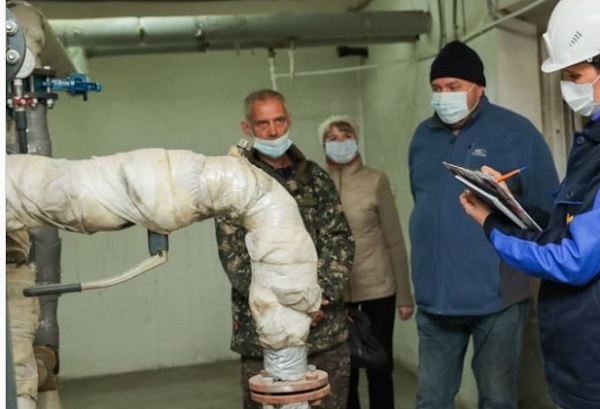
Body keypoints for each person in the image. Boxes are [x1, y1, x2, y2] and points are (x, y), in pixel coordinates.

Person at [460, 1, 600, 408]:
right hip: (582, 355)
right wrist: (506, 202)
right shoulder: (591, 142)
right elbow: (569, 230)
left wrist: (492, 225)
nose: (567, 87)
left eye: (574, 75)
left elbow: (574, 258)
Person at [408, 40, 559, 409]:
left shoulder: (517, 132)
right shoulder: (423, 137)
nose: (444, 96)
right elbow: (424, 202)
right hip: (435, 300)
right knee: (431, 400)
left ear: (479, 87)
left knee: (497, 400)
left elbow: (547, 212)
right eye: (437, 88)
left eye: (454, 86)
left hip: (497, 299)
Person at [214, 89, 355, 409]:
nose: (273, 130)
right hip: (265, 335)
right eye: (262, 123)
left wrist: (316, 299)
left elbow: (339, 240)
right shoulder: (237, 185)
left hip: (323, 333)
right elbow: (234, 256)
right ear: (247, 128)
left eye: (278, 120)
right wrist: (286, 310)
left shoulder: (316, 179)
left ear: (289, 120)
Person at [317, 115, 414, 409]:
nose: (340, 143)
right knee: (343, 369)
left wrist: (405, 296)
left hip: (378, 287)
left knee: (379, 364)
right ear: (323, 145)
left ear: (356, 140)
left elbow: (394, 239)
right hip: (336, 290)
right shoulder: (317, 183)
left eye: (346, 136)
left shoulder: (376, 180)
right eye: (332, 139)